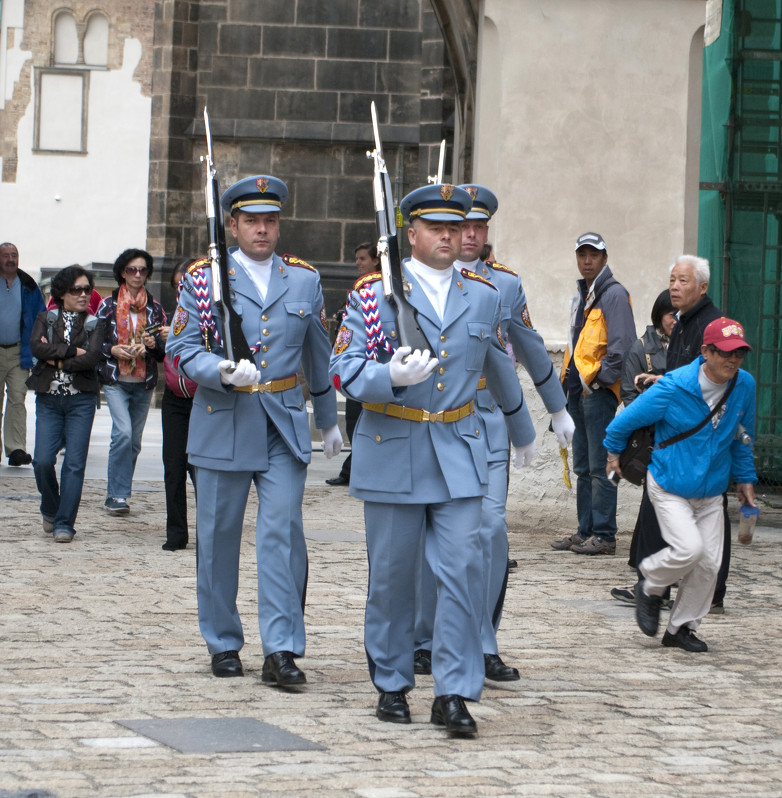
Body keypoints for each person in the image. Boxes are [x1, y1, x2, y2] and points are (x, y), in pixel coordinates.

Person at [330, 183, 537, 737]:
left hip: (459, 449)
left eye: (456, 226)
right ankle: (393, 681)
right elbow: (343, 368)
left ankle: (453, 690)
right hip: (394, 447)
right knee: (393, 579)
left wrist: (524, 428)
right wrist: (388, 377)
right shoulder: (374, 296)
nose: (449, 236)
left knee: (464, 572)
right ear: (411, 234)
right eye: (436, 227)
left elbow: (497, 366)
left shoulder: (484, 295)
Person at [165, 174, 343, 686]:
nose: (262, 230)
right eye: (251, 221)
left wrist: (328, 420)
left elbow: (318, 353)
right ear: (233, 225)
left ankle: (281, 648)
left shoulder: (304, 279)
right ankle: (222, 641)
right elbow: (181, 347)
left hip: (283, 422)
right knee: (219, 536)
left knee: (282, 534)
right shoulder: (204, 278)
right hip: (226, 419)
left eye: (270, 220)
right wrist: (217, 370)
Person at [410, 184, 573, 683]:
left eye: (481, 227)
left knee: (488, 531)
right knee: (424, 535)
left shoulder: (503, 286)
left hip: (485, 422)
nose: (472, 235)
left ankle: (481, 641)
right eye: (466, 226)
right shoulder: (409, 282)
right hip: (427, 418)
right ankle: (423, 638)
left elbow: (525, 349)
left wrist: (556, 409)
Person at [605, 317, 758, 653]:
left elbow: (741, 439)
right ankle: (650, 582)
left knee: (708, 566)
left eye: (739, 354)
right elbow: (624, 422)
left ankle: (680, 628)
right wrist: (612, 455)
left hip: (711, 491)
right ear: (706, 351)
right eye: (725, 353)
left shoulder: (744, 386)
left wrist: (746, 479)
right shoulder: (674, 387)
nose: (733, 360)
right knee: (689, 549)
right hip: (670, 484)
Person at [551, 232, 635, 556]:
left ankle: (605, 535)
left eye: (593, 255)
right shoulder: (584, 294)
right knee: (584, 467)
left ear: (604, 258)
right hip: (576, 392)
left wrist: (599, 381)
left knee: (601, 467)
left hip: (596, 393)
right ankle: (585, 531)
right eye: (582, 254)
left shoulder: (613, 295)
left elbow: (622, 345)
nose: (587, 260)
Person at [28, 266, 108, 542]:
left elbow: (93, 358)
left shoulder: (96, 323)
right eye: (77, 290)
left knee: (74, 464)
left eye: (87, 289)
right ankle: (50, 507)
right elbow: (36, 348)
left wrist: (56, 357)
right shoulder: (46, 318)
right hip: (49, 398)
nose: (84, 294)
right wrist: (72, 351)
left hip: (81, 401)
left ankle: (64, 522)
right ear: (62, 293)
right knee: (41, 460)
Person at [610, 288, 676, 603]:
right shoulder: (641, 348)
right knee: (653, 505)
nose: (676, 320)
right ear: (658, 314)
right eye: (670, 314)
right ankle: (648, 579)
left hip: (683, 436)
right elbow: (629, 392)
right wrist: (653, 413)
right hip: (652, 436)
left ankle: (657, 580)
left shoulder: (690, 346)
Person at [96, 249, 168, 514]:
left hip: (143, 381)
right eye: (131, 270)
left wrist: (151, 346)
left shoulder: (156, 308)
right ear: (122, 272)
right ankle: (115, 495)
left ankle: (119, 493)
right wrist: (112, 350)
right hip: (116, 379)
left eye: (142, 270)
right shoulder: (108, 304)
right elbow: (96, 343)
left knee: (134, 441)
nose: (137, 275)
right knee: (123, 433)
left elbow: (162, 353)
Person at [326, 242, 381, 487]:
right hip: (354, 366)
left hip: (373, 366)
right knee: (352, 420)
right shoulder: (359, 289)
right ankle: (353, 467)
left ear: (376, 261)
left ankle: (356, 469)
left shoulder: (380, 288)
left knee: (362, 419)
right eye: (356, 259)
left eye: (362, 259)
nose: (358, 263)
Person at [161, 261, 198, 551]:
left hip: (204, 399)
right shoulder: (173, 317)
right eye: (177, 285)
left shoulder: (208, 315)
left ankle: (210, 530)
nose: (181, 289)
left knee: (201, 468)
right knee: (174, 467)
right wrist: (154, 344)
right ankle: (176, 532)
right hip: (174, 399)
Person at [0, 242, 46, 467]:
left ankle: (16, 448)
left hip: (19, 351)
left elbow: (41, 315)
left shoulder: (28, 285)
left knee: (18, 398)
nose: (10, 259)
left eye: (14, 255)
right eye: (6, 255)